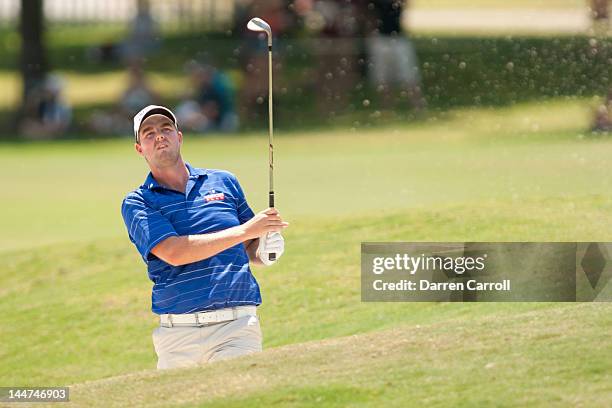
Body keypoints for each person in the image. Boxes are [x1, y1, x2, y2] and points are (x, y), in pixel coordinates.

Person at [121, 105, 288, 369]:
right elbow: (174, 253)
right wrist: (249, 231)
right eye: (149, 133)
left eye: (166, 129)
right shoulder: (138, 202)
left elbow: (247, 247)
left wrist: (265, 251)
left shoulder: (223, 182)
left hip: (236, 327)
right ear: (139, 148)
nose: (160, 136)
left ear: (179, 137)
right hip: (178, 334)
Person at [364, 0, 425, 111]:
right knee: (383, 79)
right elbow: (369, 14)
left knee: (410, 77)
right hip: (381, 39)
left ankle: (418, 108)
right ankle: (387, 110)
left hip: (399, 39)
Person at [175, 62, 239, 133]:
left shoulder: (214, 89)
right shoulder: (205, 88)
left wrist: (194, 118)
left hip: (220, 122)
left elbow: (213, 112)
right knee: (187, 107)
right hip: (211, 118)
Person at [19, 74, 72, 139]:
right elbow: (32, 113)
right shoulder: (46, 103)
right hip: (46, 126)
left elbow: (59, 123)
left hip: (55, 128)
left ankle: (43, 136)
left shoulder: (61, 104)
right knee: (26, 125)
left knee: (30, 129)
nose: (46, 93)